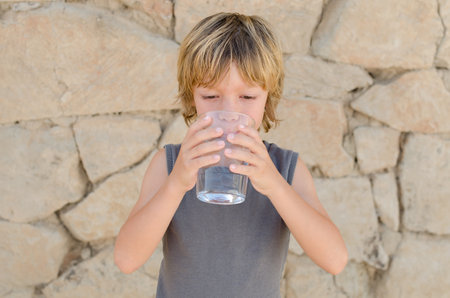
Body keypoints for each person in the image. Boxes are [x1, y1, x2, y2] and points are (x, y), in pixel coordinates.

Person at [114, 12, 348, 297]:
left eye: (247, 97)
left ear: (267, 99)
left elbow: (335, 260)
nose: (230, 113)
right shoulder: (170, 165)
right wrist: (176, 184)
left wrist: (275, 185)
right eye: (211, 97)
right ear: (191, 97)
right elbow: (126, 260)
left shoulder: (286, 169)